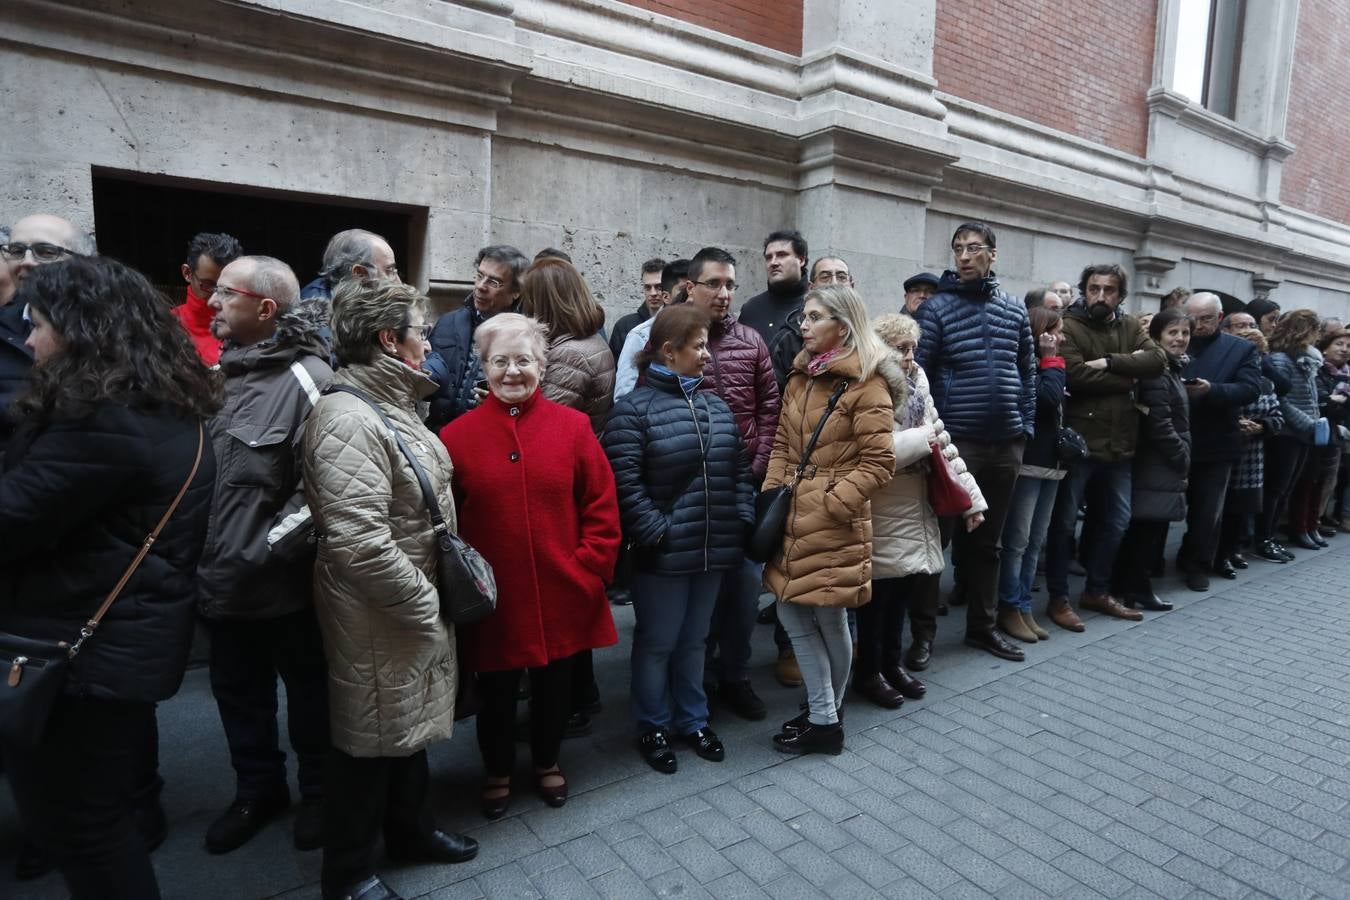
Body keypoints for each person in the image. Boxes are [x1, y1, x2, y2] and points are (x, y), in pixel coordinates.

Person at [0, 256, 219, 900]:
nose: (30, 341)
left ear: (81, 331)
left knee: (82, 827)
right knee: (91, 818)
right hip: (115, 640)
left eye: (36, 325)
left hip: (78, 653)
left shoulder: (104, 420)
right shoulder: (159, 403)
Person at [302, 279, 478, 900]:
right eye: (421, 331)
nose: (428, 341)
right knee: (368, 739)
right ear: (389, 340)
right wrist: (424, 603)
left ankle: (410, 831)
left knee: (403, 727)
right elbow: (358, 540)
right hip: (382, 606)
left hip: (401, 603)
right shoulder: (346, 416)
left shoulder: (390, 403)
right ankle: (346, 872)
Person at [439, 313, 620, 820]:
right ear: (484, 367)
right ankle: (496, 770)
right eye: (501, 361)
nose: (512, 371)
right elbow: (447, 520)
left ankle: (546, 762)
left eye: (523, 360)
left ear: (542, 364)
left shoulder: (573, 427)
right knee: (494, 689)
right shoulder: (456, 437)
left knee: (554, 687)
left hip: (564, 586)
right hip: (493, 597)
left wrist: (589, 568)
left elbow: (601, 504)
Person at [196, 256, 332, 855]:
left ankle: (321, 795)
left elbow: (325, 486)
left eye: (226, 293)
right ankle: (258, 791)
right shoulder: (213, 377)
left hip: (283, 585)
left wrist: (265, 548)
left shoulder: (313, 379)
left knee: (308, 695)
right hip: (218, 584)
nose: (211, 303)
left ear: (266, 307)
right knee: (237, 695)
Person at [603, 304, 754, 772]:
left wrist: (742, 517)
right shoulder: (632, 412)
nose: (708, 355)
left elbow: (739, 471)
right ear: (669, 352)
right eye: (700, 346)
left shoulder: (716, 404)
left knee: (695, 640)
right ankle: (653, 724)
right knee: (658, 642)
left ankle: (693, 720)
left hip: (715, 548)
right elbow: (625, 485)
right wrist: (657, 533)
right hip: (664, 555)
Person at [762, 284, 895, 755]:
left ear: (843, 324)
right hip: (794, 515)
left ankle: (824, 718)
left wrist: (834, 503)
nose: (804, 325)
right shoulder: (800, 377)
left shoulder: (868, 383)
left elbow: (879, 463)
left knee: (822, 614)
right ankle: (827, 716)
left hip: (832, 520)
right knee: (801, 611)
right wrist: (773, 495)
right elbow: (781, 445)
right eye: (805, 317)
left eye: (816, 317)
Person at [913, 222, 1036, 664]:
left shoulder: (1015, 309)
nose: (964, 256)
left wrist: (1025, 426)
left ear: (993, 255)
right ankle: (922, 634)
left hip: (1006, 443)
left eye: (974, 248)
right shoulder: (936, 309)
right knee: (938, 541)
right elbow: (916, 379)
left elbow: (1029, 371)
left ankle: (982, 629)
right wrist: (932, 440)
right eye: (958, 249)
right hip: (954, 443)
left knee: (990, 544)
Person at [863, 313, 985, 708]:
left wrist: (973, 499)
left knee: (903, 590)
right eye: (900, 348)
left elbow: (943, 442)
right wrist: (921, 437)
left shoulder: (917, 382)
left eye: (912, 347)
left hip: (914, 502)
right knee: (876, 598)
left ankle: (891, 664)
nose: (909, 355)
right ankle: (868, 672)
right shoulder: (868, 385)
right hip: (882, 503)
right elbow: (874, 452)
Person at [519, 257, 616, 733]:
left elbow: (542, 423)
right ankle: (581, 695)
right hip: (574, 477)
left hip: (563, 485)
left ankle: (569, 703)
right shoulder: (582, 343)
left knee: (563, 600)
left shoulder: (571, 354)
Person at [1043, 264, 1165, 629]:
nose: (1100, 296)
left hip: (1120, 445)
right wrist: (1128, 378)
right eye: (1094, 288)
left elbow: (1157, 361)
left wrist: (1110, 362)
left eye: (1108, 290)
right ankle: (1059, 598)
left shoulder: (1128, 326)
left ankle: (1096, 589)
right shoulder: (1071, 324)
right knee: (1063, 525)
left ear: (1120, 295)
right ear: (1084, 290)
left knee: (1116, 522)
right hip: (1080, 444)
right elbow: (1075, 373)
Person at [1110, 308, 1192, 611]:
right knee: (1146, 530)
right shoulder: (1158, 370)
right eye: (1173, 332)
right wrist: (1180, 453)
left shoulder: (1171, 368)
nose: (1180, 339)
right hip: (1156, 461)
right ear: (1156, 335)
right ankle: (1137, 588)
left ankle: (1129, 586)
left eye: (1185, 333)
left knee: (1150, 528)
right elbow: (1159, 421)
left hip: (1161, 461)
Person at [1177, 293, 1260, 588]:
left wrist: (1212, 390)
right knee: (1160, 505)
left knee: (1207, 511)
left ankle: (1197, 564)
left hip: (1216, 442)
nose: (1198, 325)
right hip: (1172, 439)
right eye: (1192, 319)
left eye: (1206, 319)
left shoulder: (1241, 349)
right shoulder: (1175, 340)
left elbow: (1250, 389)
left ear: (1220, 318)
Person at [997, 306, 1067, 641]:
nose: (1061, 338)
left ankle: (1024, 605)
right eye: (1056, 330)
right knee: (1018, 541)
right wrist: (1050, 358)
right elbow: (1048, 399)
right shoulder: (1027, 365)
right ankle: (1009, 606)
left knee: (1036, 541)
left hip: (1051, 465)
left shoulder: (1052, 365)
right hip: (1027, 463)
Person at [1, 215, 97, 439]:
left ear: (85, 261)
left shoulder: (125, 328)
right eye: (16, 251)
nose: (25, 261)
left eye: (45, 252)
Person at [427, 244, 528, 429]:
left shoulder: (527, 338)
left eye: (494, 282)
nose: (481, 286)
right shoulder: (448, 323)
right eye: (480, 276)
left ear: (515, 292)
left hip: (491, 441)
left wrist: (503, 403)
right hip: (440, 437)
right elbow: (425, 391)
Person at [1257, 310, 1324, 561]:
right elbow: (1281, 400)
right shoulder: (1280, 359)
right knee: (1276, 489)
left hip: (1304, 433)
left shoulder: (1306, 359)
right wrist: (1307, 423)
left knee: (1286, 489)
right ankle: (1264, 538)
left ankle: (1270, 536)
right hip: (1286, 433)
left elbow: (1310, 398)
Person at [522, 257, 616, 434]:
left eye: (529, 297)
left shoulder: (570, 355)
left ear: (543, 303)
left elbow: (541, 424)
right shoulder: (587, 338)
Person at [1217, 328, 1283, 567]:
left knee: (1242, 508)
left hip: (1253, 454)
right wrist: (1235, 423)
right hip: (1225, 449)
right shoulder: (1225, 377)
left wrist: (1262, 426)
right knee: (1219, 509)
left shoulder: (1266, 384)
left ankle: (1233, 549)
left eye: (1259, 355)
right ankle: (1217, 554)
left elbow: (1277, 416)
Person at [1287, 328, 1350, 549]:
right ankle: (1300, 527)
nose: (1344, 350)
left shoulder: (1345, 375)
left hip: (1332, 436)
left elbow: (1342, 407)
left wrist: (1338, 401)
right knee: (1307, 484)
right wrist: (1334, 401)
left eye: (1348, 346)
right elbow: (1322, 403)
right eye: (1339, 344)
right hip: (1311, 433)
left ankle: (1314, 524)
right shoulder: (1317, 369)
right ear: (1325, 347)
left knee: (1324, 484)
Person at [766, 254, 853, 391]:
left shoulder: (870, 340)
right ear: (811, 287)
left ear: (852, 286)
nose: (834, 283)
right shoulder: (788, 339)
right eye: (825, 277)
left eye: (842, 277)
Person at [174, 232, 243, 365]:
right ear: (187, 273)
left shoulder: (249, 326)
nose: (217, 298)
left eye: (228, 288)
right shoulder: (164, 326)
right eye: (208, 285)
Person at [739, 229, 809, 340]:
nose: (773, 262)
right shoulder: (751, 309)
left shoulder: (817, 305)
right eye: (768, 257)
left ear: (801, 260)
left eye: (782, 255)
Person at [299, 228, 402, 301]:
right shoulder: (316, 313)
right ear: (359, 274)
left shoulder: (353, 300)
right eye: (390, 270)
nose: (399, 282)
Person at [609, 257, 667, 360]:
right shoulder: (623, 326)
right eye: (648, 287)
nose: (653, 293)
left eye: (659, 287)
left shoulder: (677, 324)